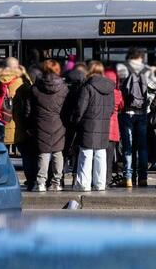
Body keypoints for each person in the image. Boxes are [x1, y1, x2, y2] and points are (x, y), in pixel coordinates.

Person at [73, 61, 115, 192]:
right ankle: (100, 184)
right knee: (101, 155)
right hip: (104, 125)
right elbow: (112, 109)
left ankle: (83, 184)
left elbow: (80, 108)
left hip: (88, 124)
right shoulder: (110, 88)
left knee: (86, 154)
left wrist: (77, 121)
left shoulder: (87, 86)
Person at [29, 60, 69, 192]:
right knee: (58, 153)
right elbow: (67, 109)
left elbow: (29, 110)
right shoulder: (64, 88)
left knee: (44, 154)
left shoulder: (35, 88)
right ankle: (57, 182)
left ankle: (40, 182)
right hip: (58, 124)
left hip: (41, 123)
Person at [117, 47, 151, 187]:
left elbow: (118, 90)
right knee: (142, 147)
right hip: (142, 113)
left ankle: (128, 178)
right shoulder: (147, 70)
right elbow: (154, 91)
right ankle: (143, 178)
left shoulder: (123, 69)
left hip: (127, 113)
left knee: (127, 147)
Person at [104, 68, 125, 188]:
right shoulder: (117, 93)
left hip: (101, 128)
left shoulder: (101, 91)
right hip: (113, 129)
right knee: (109, 157)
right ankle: (107, 179)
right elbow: (122, 106)